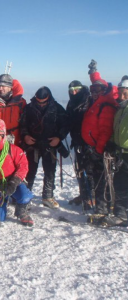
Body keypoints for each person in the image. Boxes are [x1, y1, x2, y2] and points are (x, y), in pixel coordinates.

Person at [20, 86, 69, 209]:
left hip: (49, 145)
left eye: (43, 101)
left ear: (48, 98)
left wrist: (59, 137)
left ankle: (48, 196)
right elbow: (22, 123)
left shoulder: (56, 108)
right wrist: (25, 136)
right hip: (33, 145)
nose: (40, 104)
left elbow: (66, 125)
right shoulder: (29, 108)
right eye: (38, 101)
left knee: (50, 171)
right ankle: (25, 196)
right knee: (29, 171)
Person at [81, 60, 118, 222]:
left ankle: (103, 208)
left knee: (102, 178)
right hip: (93, 147)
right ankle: (100, 205)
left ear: (104, 90)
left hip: (100, 150)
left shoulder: (106, 106)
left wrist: (98, 150)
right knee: (96, 177)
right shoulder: (99, 101)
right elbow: (98, 82)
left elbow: (105, 131)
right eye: (92, 89)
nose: (94, 92)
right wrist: (93, 72)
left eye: (97, 89)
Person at [100, 79, 128, 226]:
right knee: (120, 184)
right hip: (121, 153)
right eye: (120, 93)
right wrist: (111, 142)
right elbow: (116, 130)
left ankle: (121, 214)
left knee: (122, 184)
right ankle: (121, 213)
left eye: (125, 94)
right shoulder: (120, 110)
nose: (121, 97)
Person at [66, 80, 95, 209]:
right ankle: (84, 195)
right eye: (71, 90)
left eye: (76, 89)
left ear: (81, 89)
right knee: (80, 170)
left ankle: (92, 197)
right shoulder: (71, 103)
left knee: (90, 170)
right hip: (77, 141)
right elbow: (68, 120)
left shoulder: (89, 101)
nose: (74, 92)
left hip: (90, 143)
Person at [0, 74, 26, 146]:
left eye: (3, 86)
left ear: (10, 87)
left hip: (15, 141)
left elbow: (25, 122)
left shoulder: (20, 102)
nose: (0, 88)